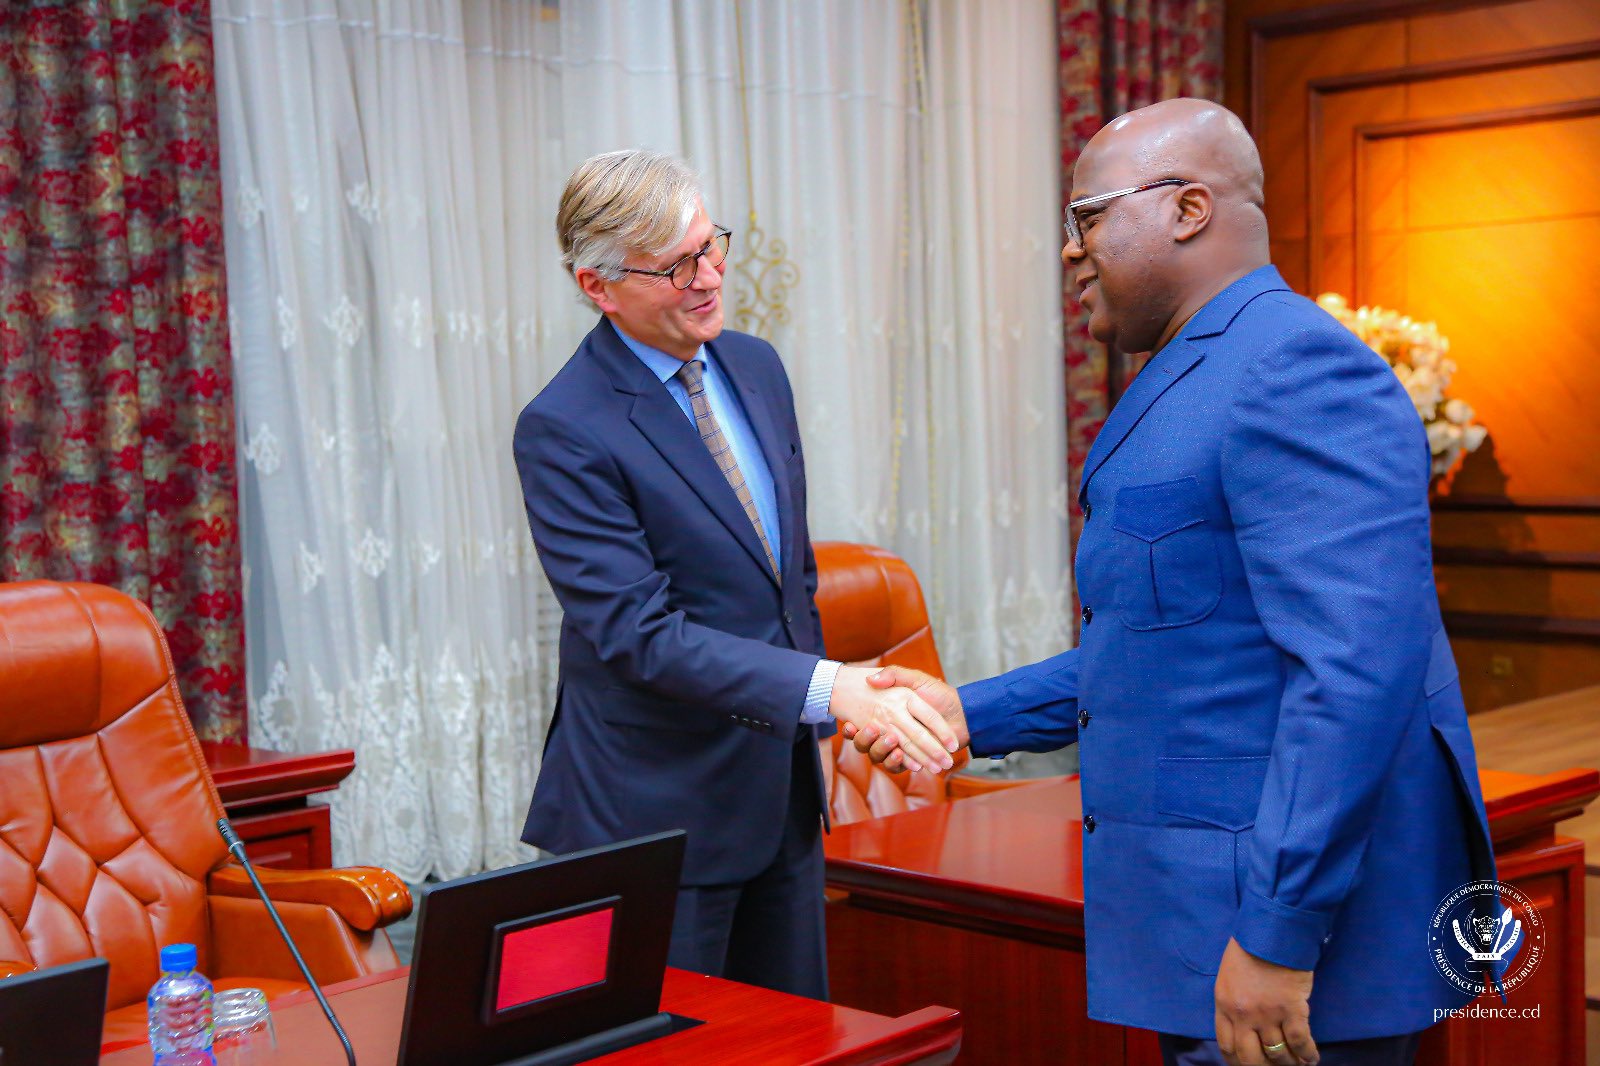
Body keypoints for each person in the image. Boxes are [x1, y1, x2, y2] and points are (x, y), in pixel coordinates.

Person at [848, 101, 1495, 1066]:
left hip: (1288, 951)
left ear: (1188, 208)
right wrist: (966, 712)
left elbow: (1355, 677)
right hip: (1199, 925)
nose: (1069, 253)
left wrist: (1278, 930)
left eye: (1086, 219)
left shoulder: (1296, 366)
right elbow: (1173, 642)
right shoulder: (1201, 366)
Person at [513, 150, 958, 1000]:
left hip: (780, 796)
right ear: (597, 286)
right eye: (676, 265)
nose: (709, 276)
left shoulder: (755, 367)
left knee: (800, 1039)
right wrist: (834, 688)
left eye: (711, 244)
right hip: (655, 816)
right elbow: (642, 636)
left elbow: (776, 584)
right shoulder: (564, 428)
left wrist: (846, 704)